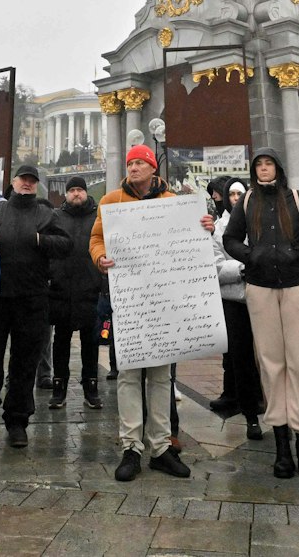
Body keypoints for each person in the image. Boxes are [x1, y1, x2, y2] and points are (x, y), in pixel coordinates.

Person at [90, 139, 211, 482]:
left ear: (152, 168)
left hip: (162, 301)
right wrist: (100, 257)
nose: (133, 168)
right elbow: (96, 239)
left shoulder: (172, 201)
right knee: (129, 375)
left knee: (161, 377)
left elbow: (192, 236)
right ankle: (131, 446)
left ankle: (160, 447)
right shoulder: (111, 201)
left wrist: (205, 227)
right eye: (130, 164)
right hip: (129, 300)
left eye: (139, 163)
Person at [222, 147, 299, 479]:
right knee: (271, 365)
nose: (264, 169)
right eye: (259, 164)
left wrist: (298, 254)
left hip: (297, 286)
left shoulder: (297, 199)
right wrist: (251, 255)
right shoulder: (247, 202)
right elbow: (230, 238)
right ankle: (282, 445)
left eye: (268, 164)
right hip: (261, 289)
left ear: (278, 168)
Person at [0, 163, 67, 453]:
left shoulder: (46, 213)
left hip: (32, 300)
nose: (27, 184)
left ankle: (17, 422)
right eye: (23, 179)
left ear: (36, 185)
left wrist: (40, 240)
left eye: (32, 180)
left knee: (24, 364)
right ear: (14, 182)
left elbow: (64, 244)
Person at [46, 175, 106, 412]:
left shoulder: (98, 216)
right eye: (72, 190)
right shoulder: (56, 217)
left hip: (90, 289)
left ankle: (91, 388)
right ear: (66, 194)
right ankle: (58, 388)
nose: (76, 194)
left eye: (80, 189)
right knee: (60, 341)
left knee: (90, 342)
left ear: (86, 192)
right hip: (61, 289)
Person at [209, 177, 262, 438]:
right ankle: (248, 408)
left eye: (240, 193)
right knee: (239, 356)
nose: (236, 198)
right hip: (233, 300)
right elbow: (215, 264)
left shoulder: (260, 222)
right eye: (231, 194)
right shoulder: (219, 228)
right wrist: (243, 268)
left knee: (266, 354)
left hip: (262, 297)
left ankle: (263, 399)